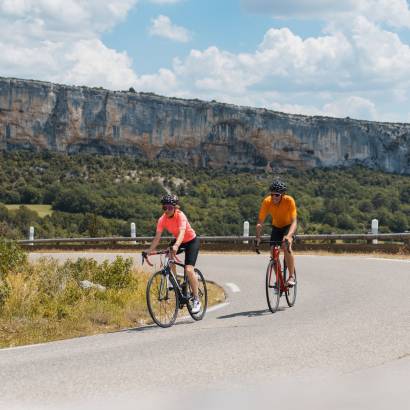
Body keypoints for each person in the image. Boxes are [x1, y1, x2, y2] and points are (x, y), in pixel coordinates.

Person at [146, 194, 201, 313]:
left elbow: (182, 233)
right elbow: (157, 238)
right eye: (164, 208)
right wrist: (149, 252)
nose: (166, 210)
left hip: (191, 241)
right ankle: (175, 282)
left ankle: (196, 299)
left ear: (175, 207)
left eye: (169, 208)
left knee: (189, 269)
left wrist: (176, 246)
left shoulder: (180, 216)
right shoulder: (162, 219)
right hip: (179, 241)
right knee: (168, 255)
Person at [255, 180, 297, 285]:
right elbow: (260, 222)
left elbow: (294, 221)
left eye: (277, 195)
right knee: (273, 252)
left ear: (282, 195)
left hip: (288, 227)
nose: (274, 197)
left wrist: (289, 236)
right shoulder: (267, 202)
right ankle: (279, 280)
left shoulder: (289, 200)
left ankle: (291, 277)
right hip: (277, 227)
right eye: (272, 194)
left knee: (286, 245)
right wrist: (258, 237)